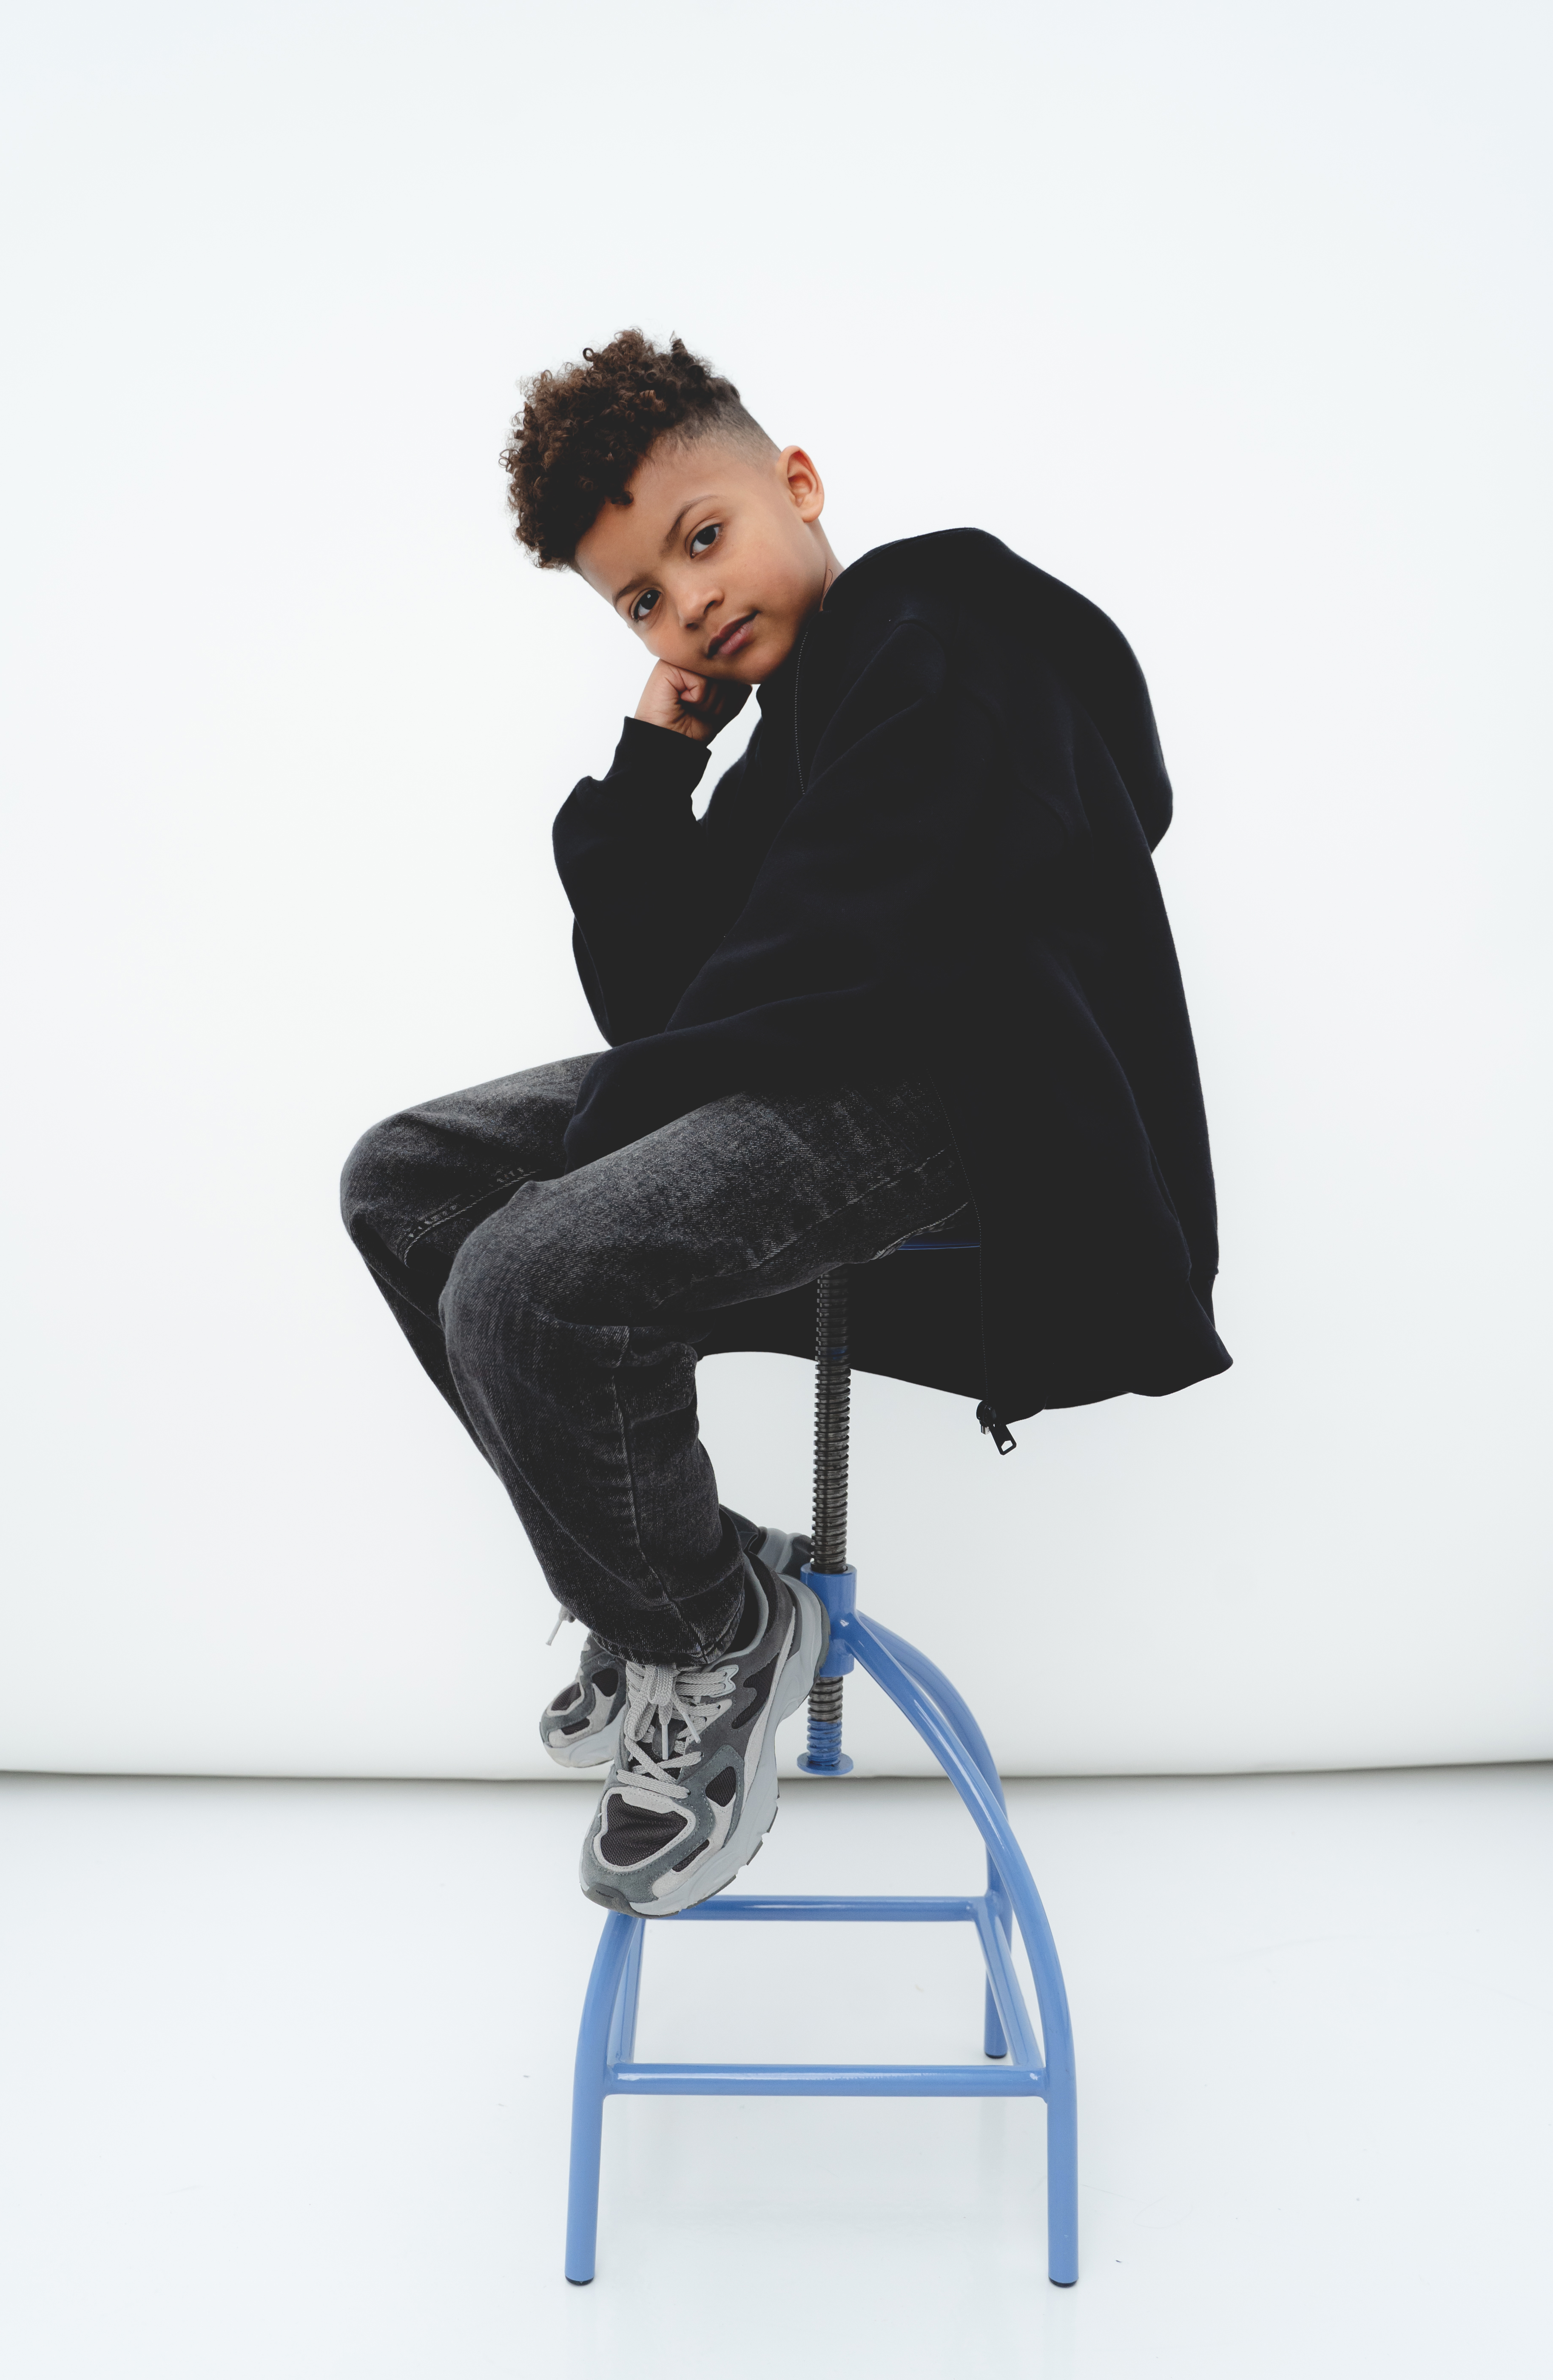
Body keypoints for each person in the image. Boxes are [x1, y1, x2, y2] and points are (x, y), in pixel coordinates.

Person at [341, 328, 1230, 1919]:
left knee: (525, 1272)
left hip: (968, 1086)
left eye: (704, 537)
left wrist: (605, 1151)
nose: (690, 603)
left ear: (798, 485)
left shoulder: (938, 618)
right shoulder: (788, 737)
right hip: (816, 1078)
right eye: (641, 600)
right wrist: (654, 766)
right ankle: (677, 1593)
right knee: (408, 1183)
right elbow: (671, 1001)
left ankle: (703, 1642)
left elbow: (860, 949)